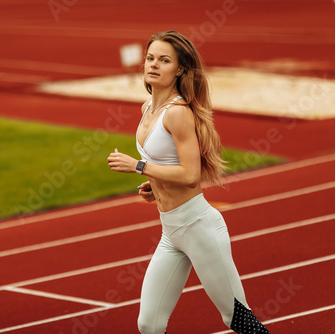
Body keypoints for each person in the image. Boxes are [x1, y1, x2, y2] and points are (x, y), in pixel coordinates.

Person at [107, 31, 269, 334]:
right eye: (150, 58)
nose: (154, 65)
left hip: (199, 227)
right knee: (149, 324)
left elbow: (192, 176)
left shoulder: (178, 113)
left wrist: (139, 166)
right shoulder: (147, 109)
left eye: (164, 60)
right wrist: (153, 186)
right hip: (172, 232)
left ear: (179, 69)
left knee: (236, 318)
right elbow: (168, 166)